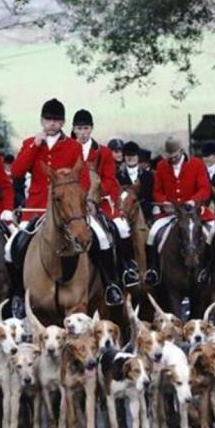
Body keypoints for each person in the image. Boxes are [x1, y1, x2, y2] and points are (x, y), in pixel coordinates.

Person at [6, 99, 91, 314]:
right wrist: (35, 145)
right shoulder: (30, 143)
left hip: (69, 210)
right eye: (48, 120)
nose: (52, 124)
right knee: (12, 247)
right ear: (42, 120)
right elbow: (17, 172)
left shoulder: (73, 146)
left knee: (101, 239)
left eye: (56, 120)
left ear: (62, 122)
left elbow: (83, 178)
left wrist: (81, 204)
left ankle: (108, 284)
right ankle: (17, 294)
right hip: (36, 208)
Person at [73, 109, 129, 305]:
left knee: (112, 233)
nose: (83, 132)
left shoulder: (103, 152)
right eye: (79, 128)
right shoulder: (67, 149)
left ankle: (114, 281)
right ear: (73, 129)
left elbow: (110, 181)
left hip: (99, 204)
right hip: (72, 206)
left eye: (86, 128)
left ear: (91, 129)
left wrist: (94, 198)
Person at [146, 137, 214, 284]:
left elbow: (204, 188)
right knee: (152, 234)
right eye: (169, 158)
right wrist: (164, 202)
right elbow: (157, 190)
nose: (172, 161)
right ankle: (153, 270)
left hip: (195, 212)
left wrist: (193, 201)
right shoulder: (161, 166)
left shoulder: (197, 164)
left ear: (182, 152)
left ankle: (211, 270)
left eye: (175, 157)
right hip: (171, 213)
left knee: (213, 234)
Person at [116, 140, 155, 224]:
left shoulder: (148, 175)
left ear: (138, 156)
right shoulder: (118, 176)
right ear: (124, 157)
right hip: (125, 213)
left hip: (145, 213)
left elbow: (150, 195)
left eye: (133, 155)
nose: (130, 158)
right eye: (128, 155)